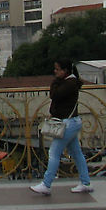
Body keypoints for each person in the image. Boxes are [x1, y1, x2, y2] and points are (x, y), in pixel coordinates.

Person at [30, 58, 93, 196]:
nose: (55, 72)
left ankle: (46, 184)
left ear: (65, 71)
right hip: (72, 122)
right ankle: (85, 182)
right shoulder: (70, 82)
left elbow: (55, 95)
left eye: (57, 69)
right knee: (76, 153)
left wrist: (55, 81)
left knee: (54, 153)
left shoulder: (69, 83)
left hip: (68, 123)